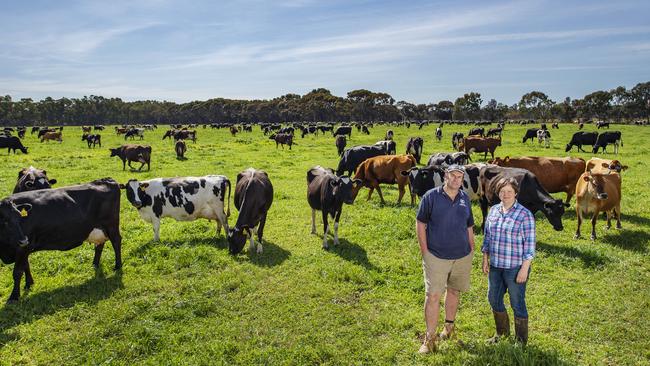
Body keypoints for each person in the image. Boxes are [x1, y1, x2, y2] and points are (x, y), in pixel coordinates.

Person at [416, 164, 475, 354]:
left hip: (462, 255)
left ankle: (448, 328)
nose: (457, 180)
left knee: (454, 291)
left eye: (460, 177)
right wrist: (425, 251)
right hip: (436, 256)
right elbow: (420, 223)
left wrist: (472, 248)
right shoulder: (431, 197)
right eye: (453, 176)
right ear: (445, 176)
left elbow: (469, 225)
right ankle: (429, 338)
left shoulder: (465, 197)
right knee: (433, 295)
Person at [481, 177, 535, 345]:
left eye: (509, 191)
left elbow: (530, 246)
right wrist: (485, 258)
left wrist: (524, 269)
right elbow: (487, 237)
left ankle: (521, 341)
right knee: (493, 299)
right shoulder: (494, 211)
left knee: (517, 302)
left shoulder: (525, 215)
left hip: (515, 267)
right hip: (496, 266)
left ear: (516, 193)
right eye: (502, 191)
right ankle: (502, 334)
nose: (505, 194)